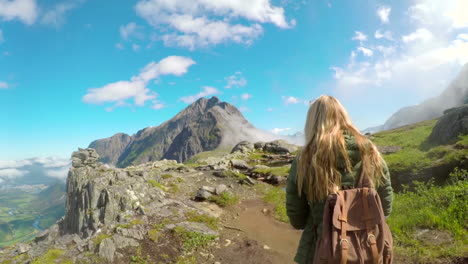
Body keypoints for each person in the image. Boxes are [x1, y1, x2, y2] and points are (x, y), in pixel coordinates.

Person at [286, 95, 393, 264]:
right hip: (370, 248)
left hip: (322, 251)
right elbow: (385, 208)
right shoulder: (370, 151)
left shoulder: (304, 159)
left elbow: (297, 218)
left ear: (312, 121)